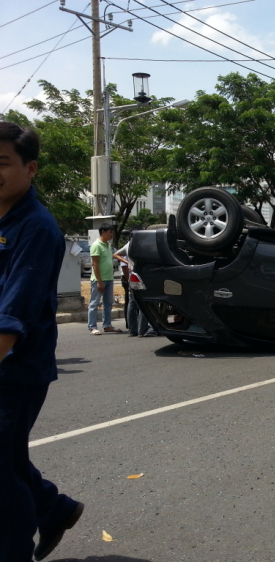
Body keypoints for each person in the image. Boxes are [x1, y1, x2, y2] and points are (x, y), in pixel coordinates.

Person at [0, 122, 84, 561]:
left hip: (14, 369)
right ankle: (54, 509)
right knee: (7, 460)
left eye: (3, 163)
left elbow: (11, 319)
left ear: (30, 169)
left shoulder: (35, 227)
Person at [113, 239, 153, 337]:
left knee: (132, 303)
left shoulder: (129, 244)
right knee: (144, 302)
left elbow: (116, 254)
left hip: (132, 277)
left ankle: (132, 330)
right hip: (142, 275)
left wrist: (127, 262)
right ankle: (142, 330)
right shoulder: (144, 244)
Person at [87, 223, 122, 335]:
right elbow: (95, 265)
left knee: (108, 303)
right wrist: (99, 282)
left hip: (109, 278)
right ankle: (92, 327)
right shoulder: (96, 245)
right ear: (103, 232)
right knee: (94, 303)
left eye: (113, 232)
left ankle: (107, 325)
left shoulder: (108, 245)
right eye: (110, 232)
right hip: (99, 280)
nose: (112, 235)